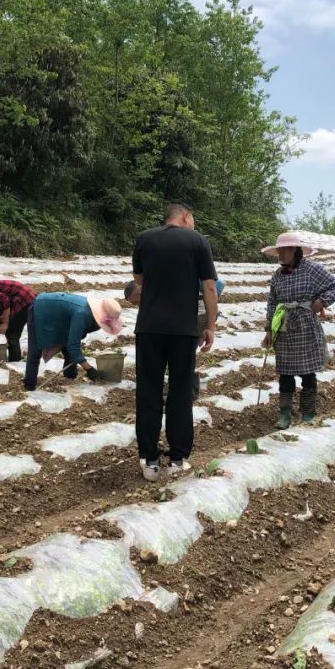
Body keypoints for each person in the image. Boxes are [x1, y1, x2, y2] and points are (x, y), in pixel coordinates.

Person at [131, 203, 218, 482]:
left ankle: (150, 461)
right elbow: (209, 287)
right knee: (180, 392)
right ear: (185, 217)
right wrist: (211, 326)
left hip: (149, 328)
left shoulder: (143, 239)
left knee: (148, 390)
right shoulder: (198, 241)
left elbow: (139, 282)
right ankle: (178, 460)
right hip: (183, 330)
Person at [261, 232, 335, 430]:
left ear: (294, 251)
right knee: (286, 374)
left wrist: (322, 302)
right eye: (279, 251)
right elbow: (272, 303)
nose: (280, 255)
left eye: (283, 251)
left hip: (306, 327)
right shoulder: (278, 276)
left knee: (308, 374)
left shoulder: (312, 269)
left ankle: (307, 413)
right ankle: (285, 413)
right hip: (285, 328)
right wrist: (269, 330)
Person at [124, 276, 225, 400]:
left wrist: (209, 327)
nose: (138, 304)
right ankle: (184, 388)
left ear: (139, 291)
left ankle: (188, 390)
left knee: (182, 352)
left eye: (136, 301)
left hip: (197, 316)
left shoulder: (161, 287)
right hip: (193, 316)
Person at [23, 293, 123, 391]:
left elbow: (74, 339)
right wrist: (88, 368)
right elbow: (73, 345)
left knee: (69, 341)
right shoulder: (82, 314)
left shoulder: (90, 315)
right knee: (35, 349)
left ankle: (70, 376)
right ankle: (29, 384)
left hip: (59, 313)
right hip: (42, 308)